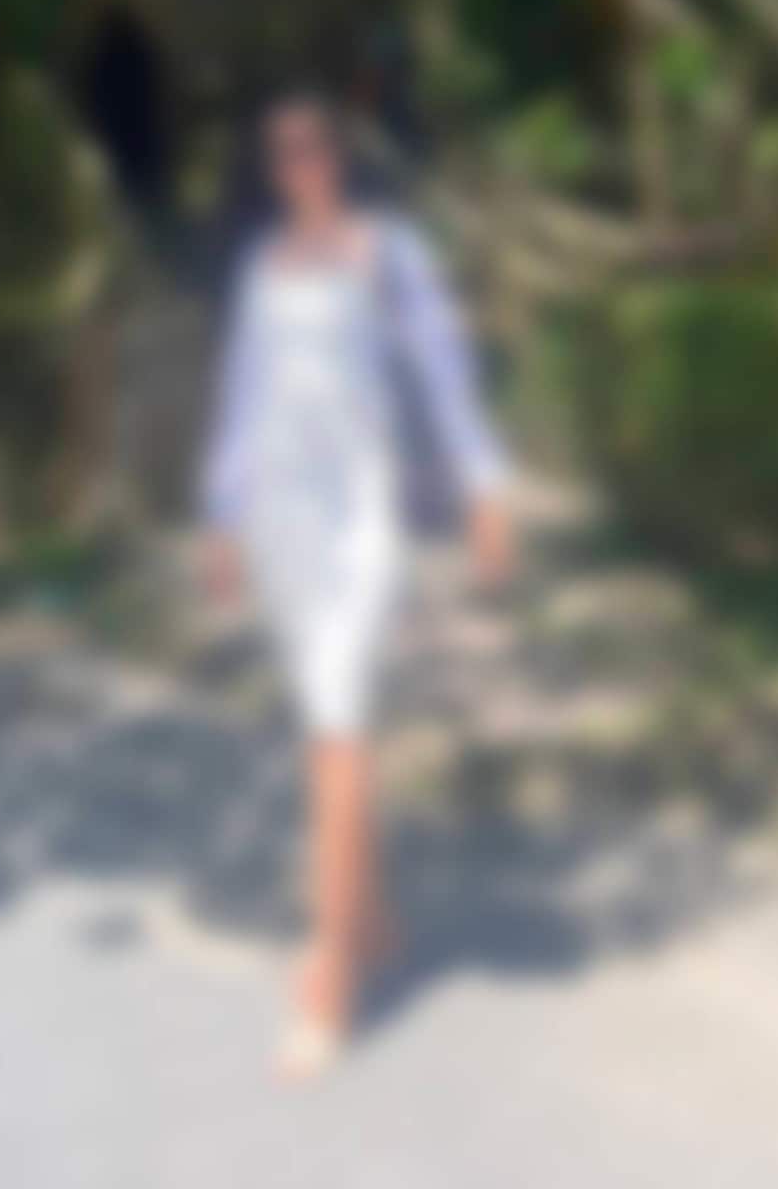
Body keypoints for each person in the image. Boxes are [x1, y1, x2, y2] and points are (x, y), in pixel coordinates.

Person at [198, 90, 515, 1079]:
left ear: (340, 154)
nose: (299, 162)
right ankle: (370, 918)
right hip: (282, 519)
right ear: (271, 166)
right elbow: (242, 397)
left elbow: (444, 371)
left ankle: (328, 970)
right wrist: (222, 515)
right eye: (281, 149)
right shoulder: (260, 262)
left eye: (314, 145)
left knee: (339, 724)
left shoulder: (391, 252)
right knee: (323, 721)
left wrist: (485, 483)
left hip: (362, 517)